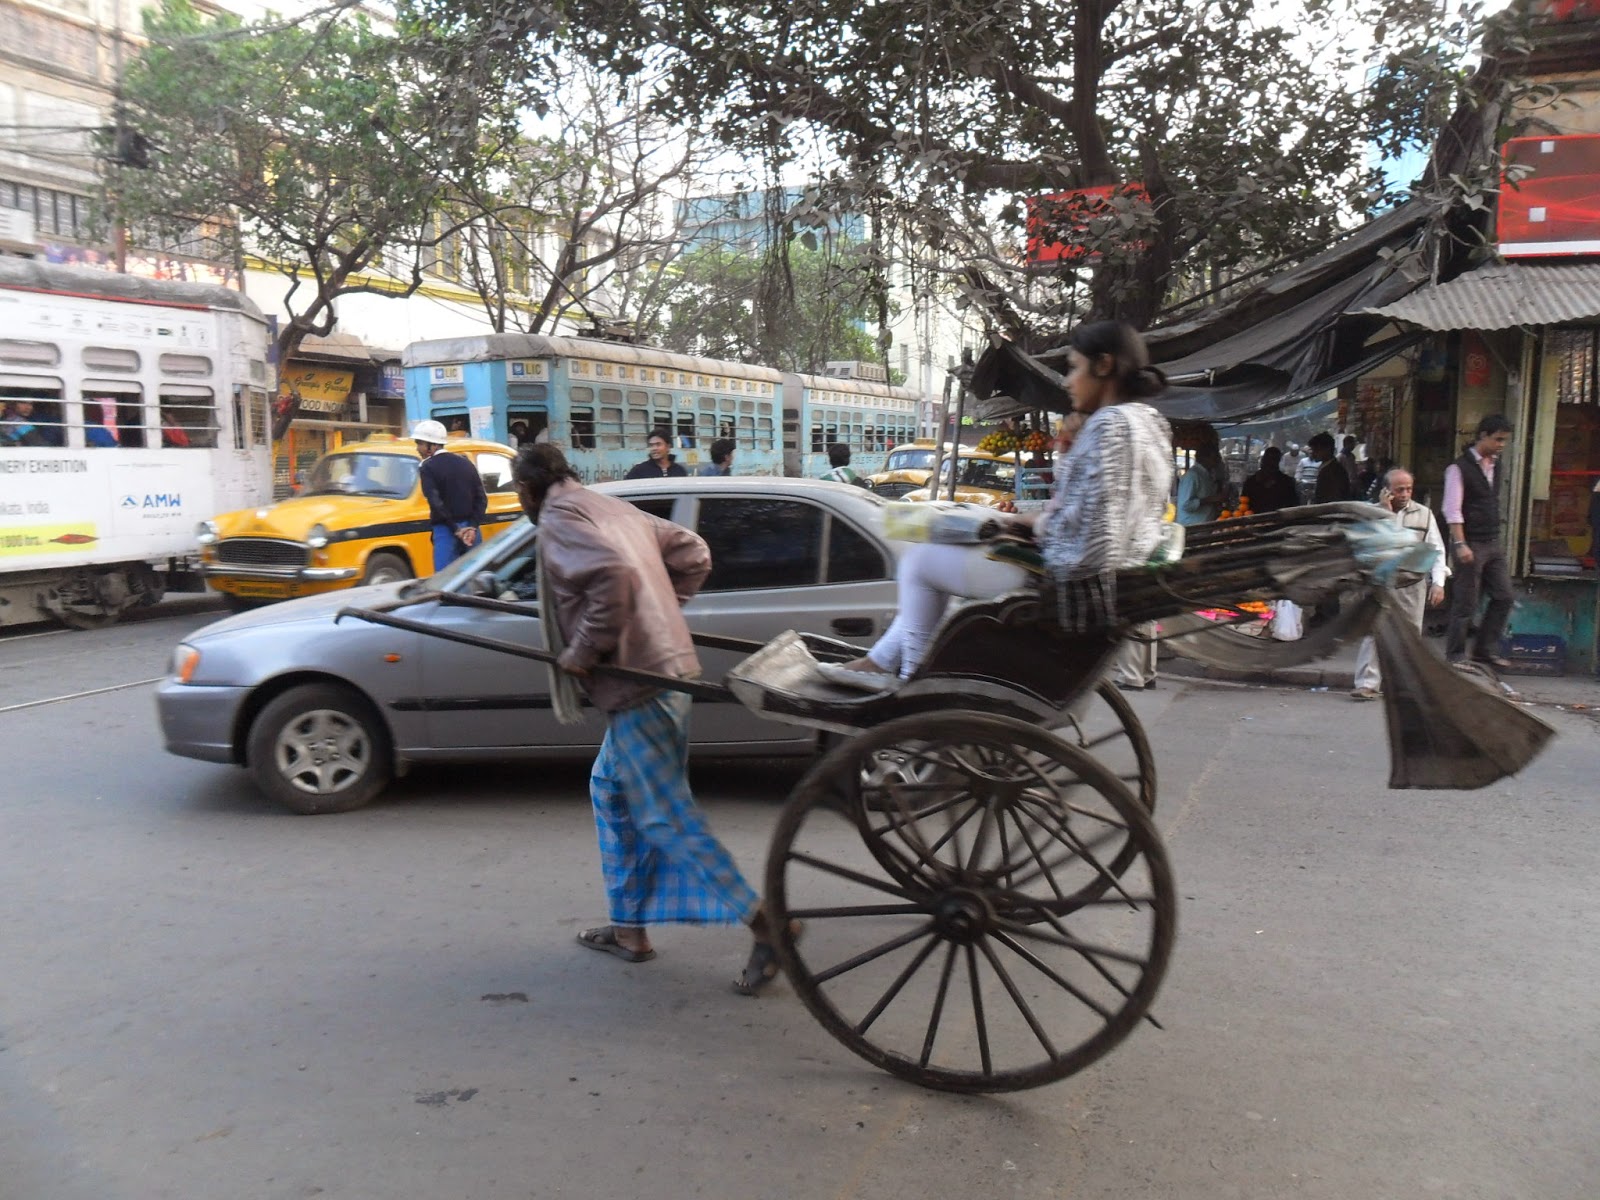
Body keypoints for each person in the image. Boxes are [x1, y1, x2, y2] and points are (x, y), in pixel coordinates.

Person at [511, 442, 787, 995]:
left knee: (663, 816)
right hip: (665, 671)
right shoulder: (604, 505)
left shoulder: (560, 518)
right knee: (611, 789)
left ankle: (765, 924)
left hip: (640, 684)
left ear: (527, 488)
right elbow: (692, 553)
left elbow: (612, 576)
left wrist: (584, 651)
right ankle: (629, 929)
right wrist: (661, 608)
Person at [820, 320, 1173, 688]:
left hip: (1069, 584)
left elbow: (1095, 536)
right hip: (1103, 574)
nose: (1068, 382)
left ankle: (910, 678)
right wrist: (1030, 515)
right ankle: (879, 662)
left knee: (918, 563)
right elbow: (1097, 510)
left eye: (1074, 368)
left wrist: (1034, 529)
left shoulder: (1109, 424)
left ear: (1103, 365)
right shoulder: (1150, 422)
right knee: (950, 534)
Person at [1350, 467, 1449, 700]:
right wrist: (1386, 513)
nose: (1405, 494)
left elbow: (1436, 549)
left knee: (1410, 636)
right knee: (1374, 632)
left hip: (1412, 584)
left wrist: (1439, 583)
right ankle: (1367, 684)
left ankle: (1405, 685)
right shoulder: (1371, 513)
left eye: (1408, 489)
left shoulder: (1424, 514)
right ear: (1386, 490)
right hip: (1380, 582)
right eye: (1399, 489)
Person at [1443, 413, 1515, 669]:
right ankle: (1455, 654)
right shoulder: (1458, 468)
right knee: (1466, 602)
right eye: (1497, 439)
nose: (1501, 445)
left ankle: (1484, 649)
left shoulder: (1496, 466)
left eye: (1504, 441)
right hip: (1470, 540)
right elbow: (1452, 509)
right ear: (1483, 435)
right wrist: (1461, 543)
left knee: (1504, 596)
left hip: (1492, 540)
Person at [413, 418, 487, 571]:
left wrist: (456, 529)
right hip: (471, 531)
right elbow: (482, 499)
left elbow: (435, 502)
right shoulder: (466, 463)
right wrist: (472, 527)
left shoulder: (428, 468)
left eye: (419, 443)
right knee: (475, 578)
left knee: (445, 581)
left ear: (431, 446)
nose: (417, 448)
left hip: (446, 530)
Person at [1175, 426, 1224, 525]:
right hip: (1191, 527)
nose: (1219, 460)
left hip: (1204, 525)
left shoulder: (1207, 474)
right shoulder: (1192, 475)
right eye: (1216, 457)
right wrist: (1211, 499)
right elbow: (1186, 504)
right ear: (1207, 458)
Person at [1241, 446, 1300, 515]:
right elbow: (1243, 503)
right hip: (1254, 519)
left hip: (1279, 520)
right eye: (1269, 460)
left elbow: (1293, 505)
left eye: (1273, 460)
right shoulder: (1251, 481)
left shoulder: (1287, 482)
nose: (1270, 463)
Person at [1308, 432, 1353, 503]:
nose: (1313, 454)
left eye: (1316, 450)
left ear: (1327, 449)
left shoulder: (1334, 471)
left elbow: (1334, 499)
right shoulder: (1327, 467)